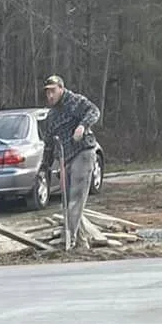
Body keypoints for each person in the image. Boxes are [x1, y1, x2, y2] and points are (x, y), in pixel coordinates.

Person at [39, 75, 100, 251]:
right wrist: (45, 167)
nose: (50, 96)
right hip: (65, 158)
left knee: (75, 198)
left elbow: (94, 111)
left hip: (82, 151)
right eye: (47, 92)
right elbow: (49, 144)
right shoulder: (51, 116)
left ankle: (69, 239)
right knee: (66, 202)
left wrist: (82, 126)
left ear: (61, 89)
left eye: (53, 91)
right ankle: (81, 242)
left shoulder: (74, 101)